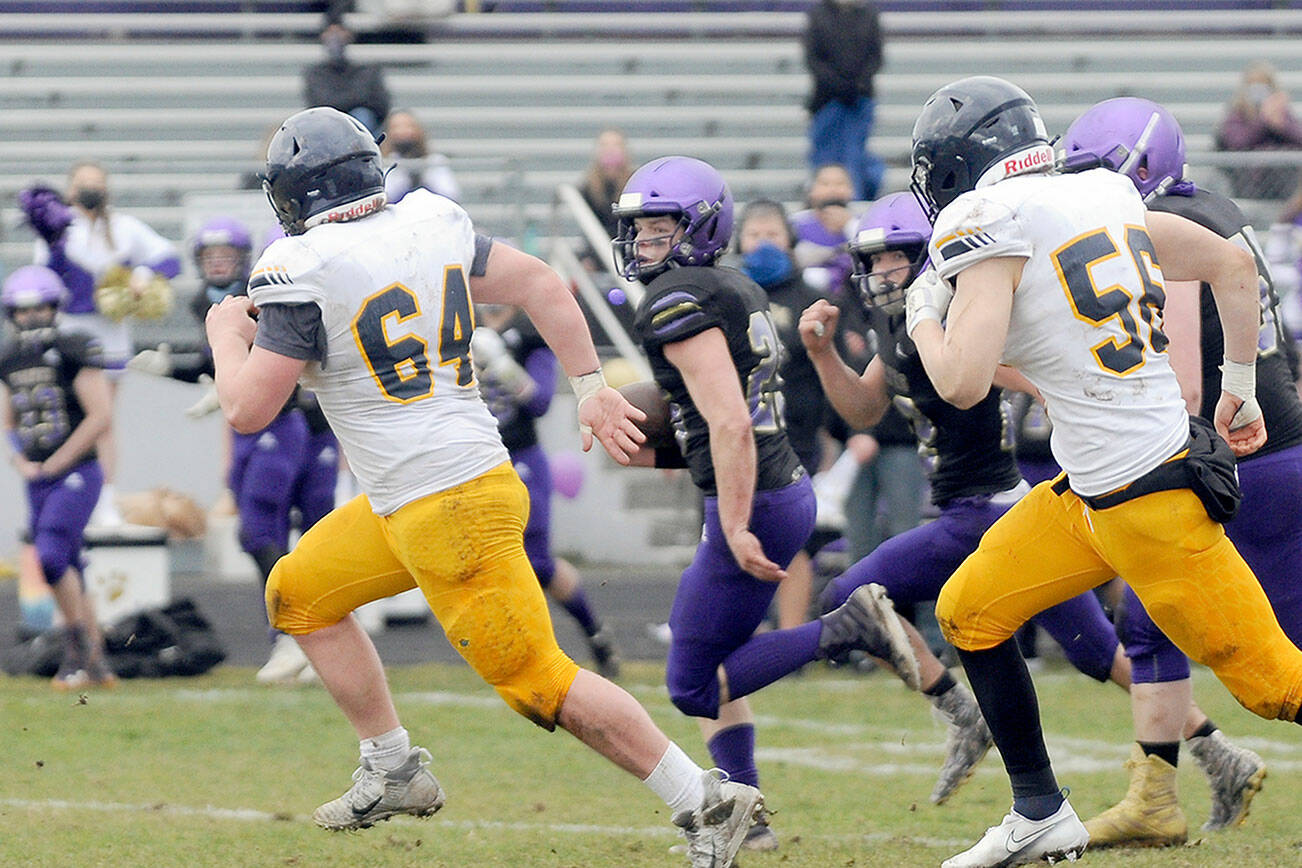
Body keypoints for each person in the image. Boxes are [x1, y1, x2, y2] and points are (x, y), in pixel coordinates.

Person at [206, 107, 760, 868]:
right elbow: (538, 281)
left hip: (450, 506)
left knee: (538, 680)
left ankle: (704, 799)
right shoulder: (429, 220)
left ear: (292, 195)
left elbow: (245, 409)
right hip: (423, 493)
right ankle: (393, 765)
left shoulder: (299, 266)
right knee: (297, 595)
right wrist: (591, 384)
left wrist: (223, 336)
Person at [903, 75, 1302, 868]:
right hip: (1092, 491)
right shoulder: (1102, 192)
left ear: (956, 166)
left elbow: (960, 382)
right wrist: (1242, 391)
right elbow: (1231, 266)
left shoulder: (983, 221)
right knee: (968, 612)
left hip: (1149, 502)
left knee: (1276, 688)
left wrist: (921, 312)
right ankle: (1039, 813)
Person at [611, 155, 920, 853]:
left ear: (697, 228)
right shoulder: (734, 284)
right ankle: (747, 821)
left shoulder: (676, 298)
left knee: (692, 684)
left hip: (756, 495)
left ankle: (849, 629)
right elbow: (714, 418)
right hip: (780, 486)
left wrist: (731, 520)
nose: (643, 243)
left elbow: (729, 421)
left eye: (659, 228)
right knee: (718, 664)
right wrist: (655, 445)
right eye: (638, 229)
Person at [800, 191, 1135, 806]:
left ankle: (964, 715)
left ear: (926, 257)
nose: (879, 275)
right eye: (870, 263)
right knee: (1094, 650)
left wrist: (1075, 407)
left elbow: (1018, 370)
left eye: (892, 261)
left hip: (988, 511)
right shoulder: (905, 324)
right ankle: (1210, 746)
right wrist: (822, 355)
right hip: (984, 510)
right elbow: (866, 408)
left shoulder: (953, 309)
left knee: (850, 597)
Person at [1061, 96, 1302, 847]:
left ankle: (1156, 797)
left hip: (1236, 453)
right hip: (1254, 449)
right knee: (1152, 618)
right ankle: (1155, 798)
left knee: (1282, 652)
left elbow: (1189, 377)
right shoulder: (1205, 208)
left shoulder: (1169, 225)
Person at [129, 216, 337, 685]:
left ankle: (300, 634)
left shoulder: (290, 296)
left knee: (284, 528)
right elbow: (221, 360)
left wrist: (234, 392)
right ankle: (299, 634)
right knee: (261, 531)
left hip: (293, 422)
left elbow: (292, 363)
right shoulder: (226, 299)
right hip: (270, 421)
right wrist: (185, 373)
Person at [21, 162, 181, 526]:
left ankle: (105, 498)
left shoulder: (125, 229)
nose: (90, 191)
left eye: (96, 184)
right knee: (71, 420)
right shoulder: (57, 230)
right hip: (68, 339)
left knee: (104, 420)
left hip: (109, 339)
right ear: (69, 189)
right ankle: (70, 495)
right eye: (82, 184)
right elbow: (44, 282)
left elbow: (170, 259)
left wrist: (140, 276)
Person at [471, 303, 621, 678]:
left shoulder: (528, 331)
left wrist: (502, 363)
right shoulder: (458, 322)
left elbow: (539, 403)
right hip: (471, 459)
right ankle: (509, 651)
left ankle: (594, 632)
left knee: (536, 562)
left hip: (519, 453)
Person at [1, 265, 116, 690]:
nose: (31, 317)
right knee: (65, 560)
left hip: (76, 472)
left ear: (55, 308)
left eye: (40, 308)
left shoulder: (74, 346)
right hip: (37, 475)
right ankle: (97, 660)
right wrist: (21, 462)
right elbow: (8, 422)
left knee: (48, 556)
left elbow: (100, 415)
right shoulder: (9, 356)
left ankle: (75, 648)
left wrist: (58, 461)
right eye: (23, 310)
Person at [734, 198, 832, 629]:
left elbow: (827, 370)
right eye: (755, 235)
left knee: (794, 542)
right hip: (735, 435)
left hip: (795, 438)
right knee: (733, 537)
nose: (763, 243)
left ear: (790, 239)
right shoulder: (727, 293)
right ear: (739, 240)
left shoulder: (810, 297)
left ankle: (790, 637)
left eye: (772, 234)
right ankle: (738, 632)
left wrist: (830, 433)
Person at [801, 0, 885, 201]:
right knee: (825, 157)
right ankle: (823, 203)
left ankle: (855, 201)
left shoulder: (869, 15)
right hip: (826, 100)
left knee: (854, 155)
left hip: (860, 99)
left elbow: (876, 57)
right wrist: (838, 85)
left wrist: (857, 85)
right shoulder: (818, 15)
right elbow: (813, 58)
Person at [1215, 61, 1302, 201]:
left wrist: (1282, 125)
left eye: (1263, 83)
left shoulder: (1282, 114)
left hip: (1284, 183)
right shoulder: (1237, 113)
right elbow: (1237, 142)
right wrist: (1263, 120)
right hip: (1248, 182)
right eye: (1253, 84)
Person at [302, 20, 391, 137]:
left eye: (339, 32)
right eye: (331, 33)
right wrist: (356, 99)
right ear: (323, 36)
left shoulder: (366, 70)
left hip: (363, 124)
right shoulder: (315, 73)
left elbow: (380, 104)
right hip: (327, 124)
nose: (335, 38)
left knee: (362, 116)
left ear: (348, 35)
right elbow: (319, 104)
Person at [791, 163, 859, 296]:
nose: (832, 189)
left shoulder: (862, 225)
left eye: (840, 183)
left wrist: (849, 225)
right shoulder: (795, 224)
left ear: (851, 190)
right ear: (811, 191)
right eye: (825, 184)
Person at [380, 109, 460, 205]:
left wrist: (424, 174)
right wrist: (404, 175)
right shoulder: (385, 162)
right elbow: (385, 196)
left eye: (408, 126)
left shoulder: (434, 161)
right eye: (396, 127)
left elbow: (451, 194)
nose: (403, 132)